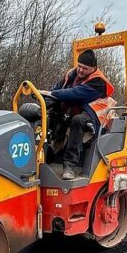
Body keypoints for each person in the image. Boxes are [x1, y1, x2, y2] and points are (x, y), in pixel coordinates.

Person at [47, 49, 115, 180]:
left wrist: (53, 94)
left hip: (94, 115)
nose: (81, 70)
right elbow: (57, 89)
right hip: (74, 111)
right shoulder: (71, 75)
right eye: (79, 66)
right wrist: (48, 96)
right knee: (52, 114)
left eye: (85, 68)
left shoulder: (98, 82)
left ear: (94, 68)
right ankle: (48, 154)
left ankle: (69, 166)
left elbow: (75, 94)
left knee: (78, 120)